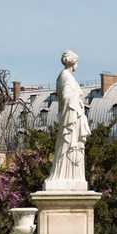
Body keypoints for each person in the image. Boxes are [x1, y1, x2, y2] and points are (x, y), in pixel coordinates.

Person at [43, 51, 91, 190]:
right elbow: (66, 96)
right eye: (77, 62)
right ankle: (64, 174)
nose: (78, 65)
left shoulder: (66, 76)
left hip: (73, 114)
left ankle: (73, 175)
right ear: (73, 62)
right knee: (68, 143)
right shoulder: (66, 76)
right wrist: (77, 99)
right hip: (70, 115)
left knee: (72, 145)